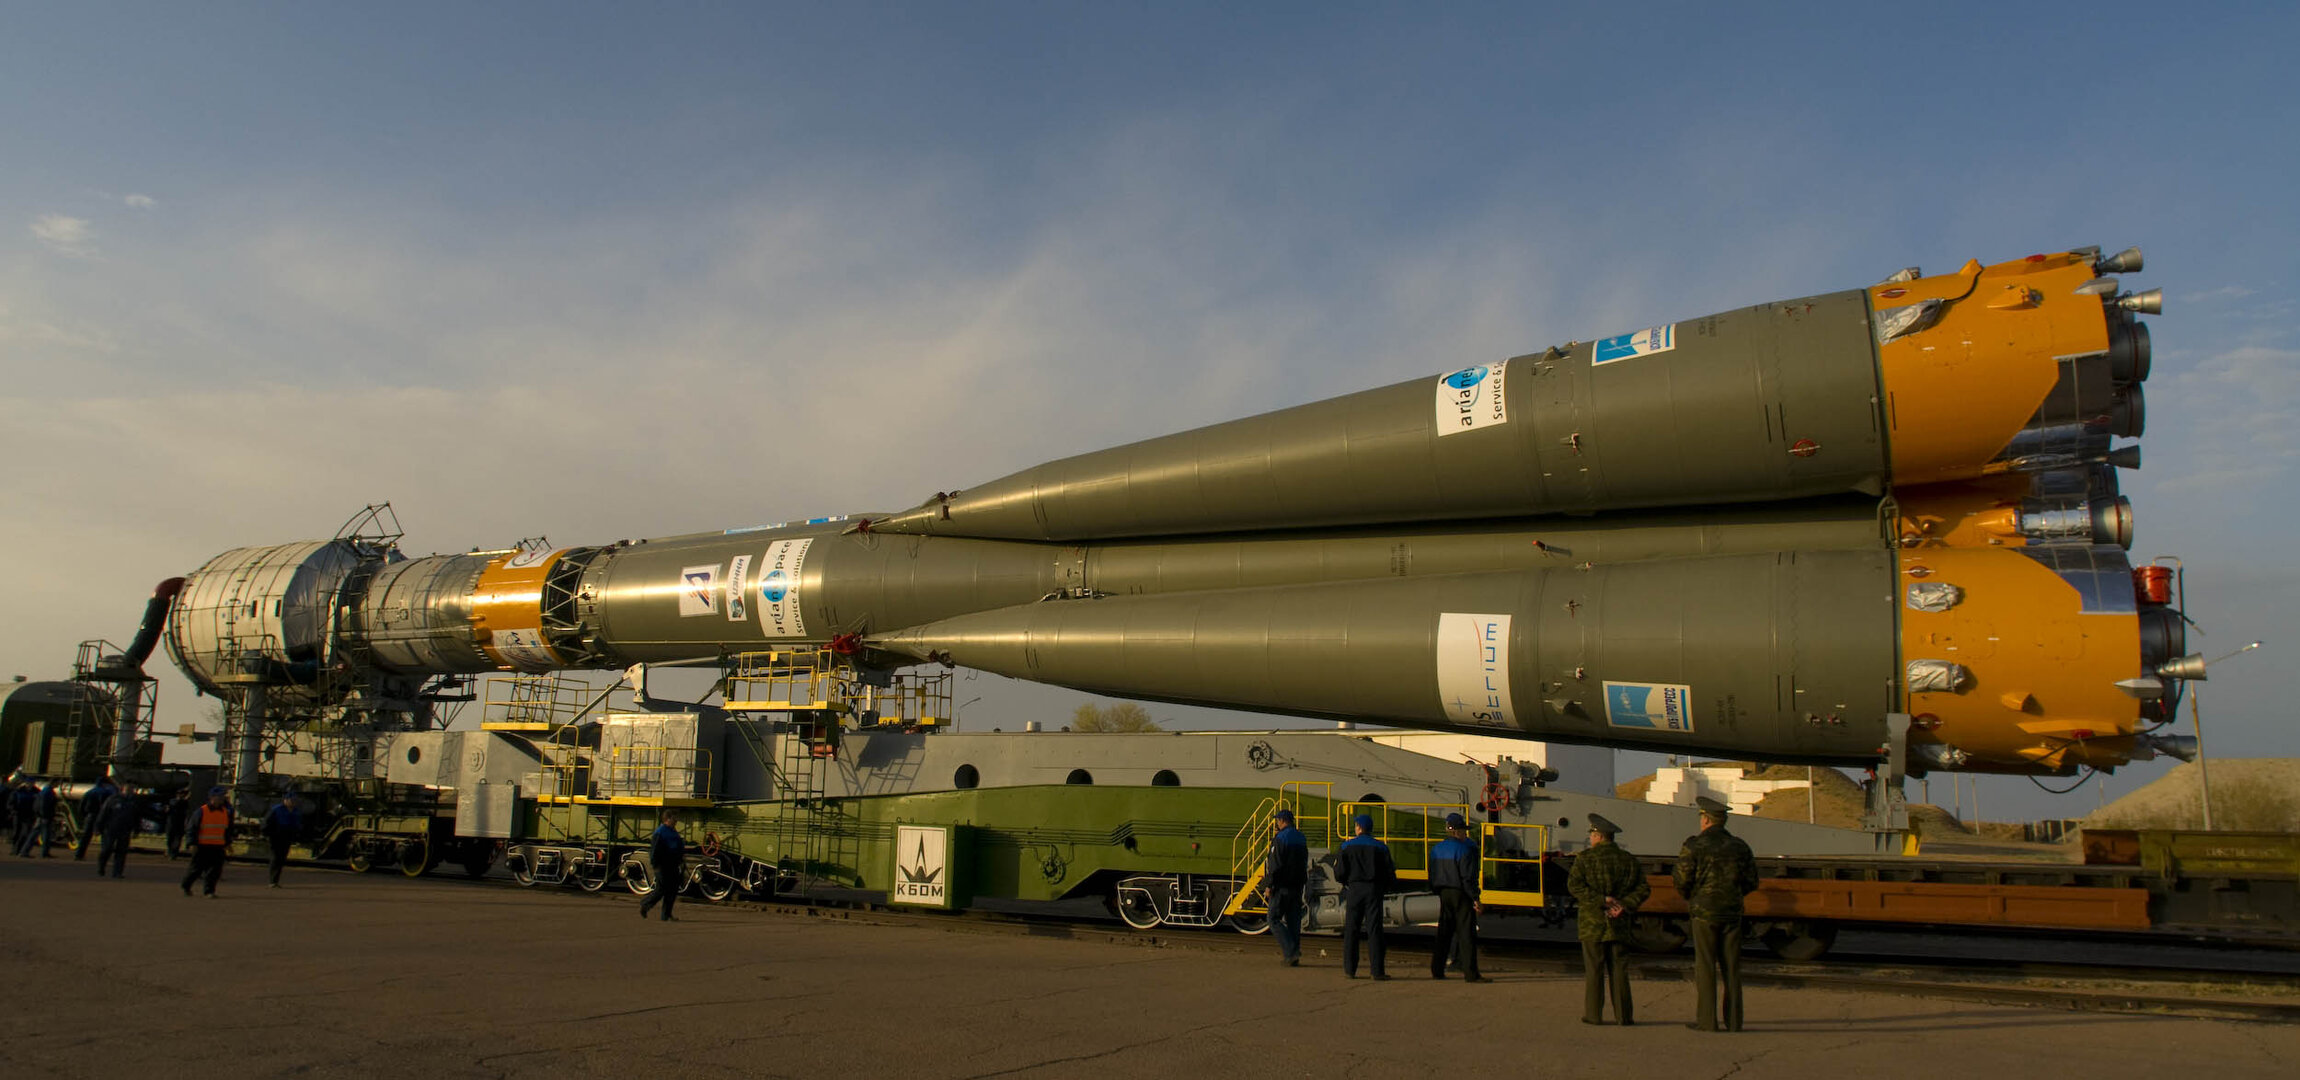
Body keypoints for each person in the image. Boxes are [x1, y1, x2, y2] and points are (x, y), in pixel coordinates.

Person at [1673, 796, 1760, 1032]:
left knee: (1706, 967)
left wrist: (1693, 896)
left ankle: (1707, 1021)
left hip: (1704, 913)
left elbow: (1681, 879)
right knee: (1732, 968)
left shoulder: (1694, 846)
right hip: (1732, 913)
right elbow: (1752, 881)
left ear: (1705, 819)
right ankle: (1733, 1021)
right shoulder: (1740, 847)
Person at [1568, 813, 1649, 1025]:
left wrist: (1601, 899)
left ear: (1599, 836)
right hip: (1619, 923)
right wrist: (1624, 904)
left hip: (1592, 923)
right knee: (1619, 970)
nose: (1591, 838)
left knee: (1594, 970)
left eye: (1592, 834)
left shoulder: (1584, 859)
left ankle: (1594, 1015)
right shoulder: (1628, 860)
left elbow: (1574, 886)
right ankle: (1624, 1016)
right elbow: (1643, 889)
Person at [1334, 812, 1395, 980]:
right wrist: (1384, 887)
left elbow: (1339, 872)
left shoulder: (1346, 846)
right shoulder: (1381, 847)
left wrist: (1347, 882)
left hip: (1354, 889)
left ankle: (1350, 970)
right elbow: (1390, 872)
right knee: (1375, 929)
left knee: (1351, 929)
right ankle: (1377, 971)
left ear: (1359, 827)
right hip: (1374, 890)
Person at [1426, 812, 1486, 982]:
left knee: (1444, 932)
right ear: (1457, 831)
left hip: (1444, 893)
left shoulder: (1436, 849)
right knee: (1466, 934)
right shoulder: (1465, 849)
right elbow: (1468, 878)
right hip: (1461, 893)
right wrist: (1475, 898)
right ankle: (1471, 973)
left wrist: (1436, 890)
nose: (1465, 834)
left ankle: (1437, 970)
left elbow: (1431, 874)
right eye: (1464, 831)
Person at [1264, 807, 1309, 967]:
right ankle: (1293, 955)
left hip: (1282, 885)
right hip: (1297, 885)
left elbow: (1275, 865)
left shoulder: (1280, 838)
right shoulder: (1301, 837)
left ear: (1282, 820)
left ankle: (1291, 951)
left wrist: (1270, 885)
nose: (1276, 823)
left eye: (1277, 820)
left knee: (1273, 919)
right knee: (1293, 920)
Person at [181, 787, 234, 898]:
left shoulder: (225, 812)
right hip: (202, 846)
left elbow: (227, 830)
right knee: (196, 870)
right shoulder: (201, 811)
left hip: (218, 846)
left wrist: (228, 844)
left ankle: (209, 891)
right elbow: (192, 828)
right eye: (219, 797)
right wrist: (192, 843)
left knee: (215, 871)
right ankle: (186, 885)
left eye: (222, 797)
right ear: (211, 798)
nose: (221, 799)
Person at [636, 809, 685, 922]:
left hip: (673, 864)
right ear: (667, 819)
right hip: (663, 865)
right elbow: (654, 849)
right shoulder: (660, 832)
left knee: (672, 890)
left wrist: (681, 860)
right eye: (674, 818)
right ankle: (645, 904)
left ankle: (666, 915)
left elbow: (678, 846)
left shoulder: (672, 831)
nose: (676, 820)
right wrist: (655, 865)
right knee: (662, 888)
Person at [93, 783, 141, 879]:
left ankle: (117, 872)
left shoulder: (133, 802)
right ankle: (101, 867)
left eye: (131, 790)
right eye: (128, 790)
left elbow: (137, 817)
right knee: (107, 850)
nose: (130, 792)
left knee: (121, 852)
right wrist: (97, 827)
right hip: (110, 829)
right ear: (122, 789)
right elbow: (103, 813)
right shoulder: (112, 800)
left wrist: (136, 830)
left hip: (125, 830)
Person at [261, 792, 303, 888]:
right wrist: (267, 834)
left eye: (294, 800)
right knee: (275, 858)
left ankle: (276, 880)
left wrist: (297, 834)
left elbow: (298, 824)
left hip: (287, 837)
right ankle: (273, 881)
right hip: (276, 836)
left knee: (281, 858)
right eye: (291, 800)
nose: (293, 802)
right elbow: (266, 823)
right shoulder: (277, 810)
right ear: (285, 800)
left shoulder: (296, 811)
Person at [73, 775, 118, 860]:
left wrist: (84, 815)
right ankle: (103, 857)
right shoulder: (107, 793)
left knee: (85, 837)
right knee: (105, 837)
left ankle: (79, 855)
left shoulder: (90, 792)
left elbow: (81, 806)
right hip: (102, 817)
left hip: (90, 816)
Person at [8, 782, 36, 856]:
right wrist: (13, 811)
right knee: (17, 832)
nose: (30, 785)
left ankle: (19, 850)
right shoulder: (18, 792)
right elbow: (10, 803)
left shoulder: (33, 792)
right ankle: (15, 850)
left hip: (26, 815)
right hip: (18, 815)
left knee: (24, 833)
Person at [35, 780, 61, 856]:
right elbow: (44, 804)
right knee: (46, 835)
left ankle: (24, 851)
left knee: (35, 833)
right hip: (46, 816)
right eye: (57, 783)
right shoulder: (48, 792)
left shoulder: (45, 791)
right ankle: (44, 852)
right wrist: (45, 815)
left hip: (43, 815)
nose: (58, 785)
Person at [164, 788, 192, 859]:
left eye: (182, 794)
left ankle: (173, 854)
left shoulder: (185, 802)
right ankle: (170, 851)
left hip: (180, 823)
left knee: (177, 839)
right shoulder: (172, 801)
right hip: (171, 823)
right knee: (170, 839)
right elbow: (174, 804)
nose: (180, 795)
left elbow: (186, 812)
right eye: (179, 794)